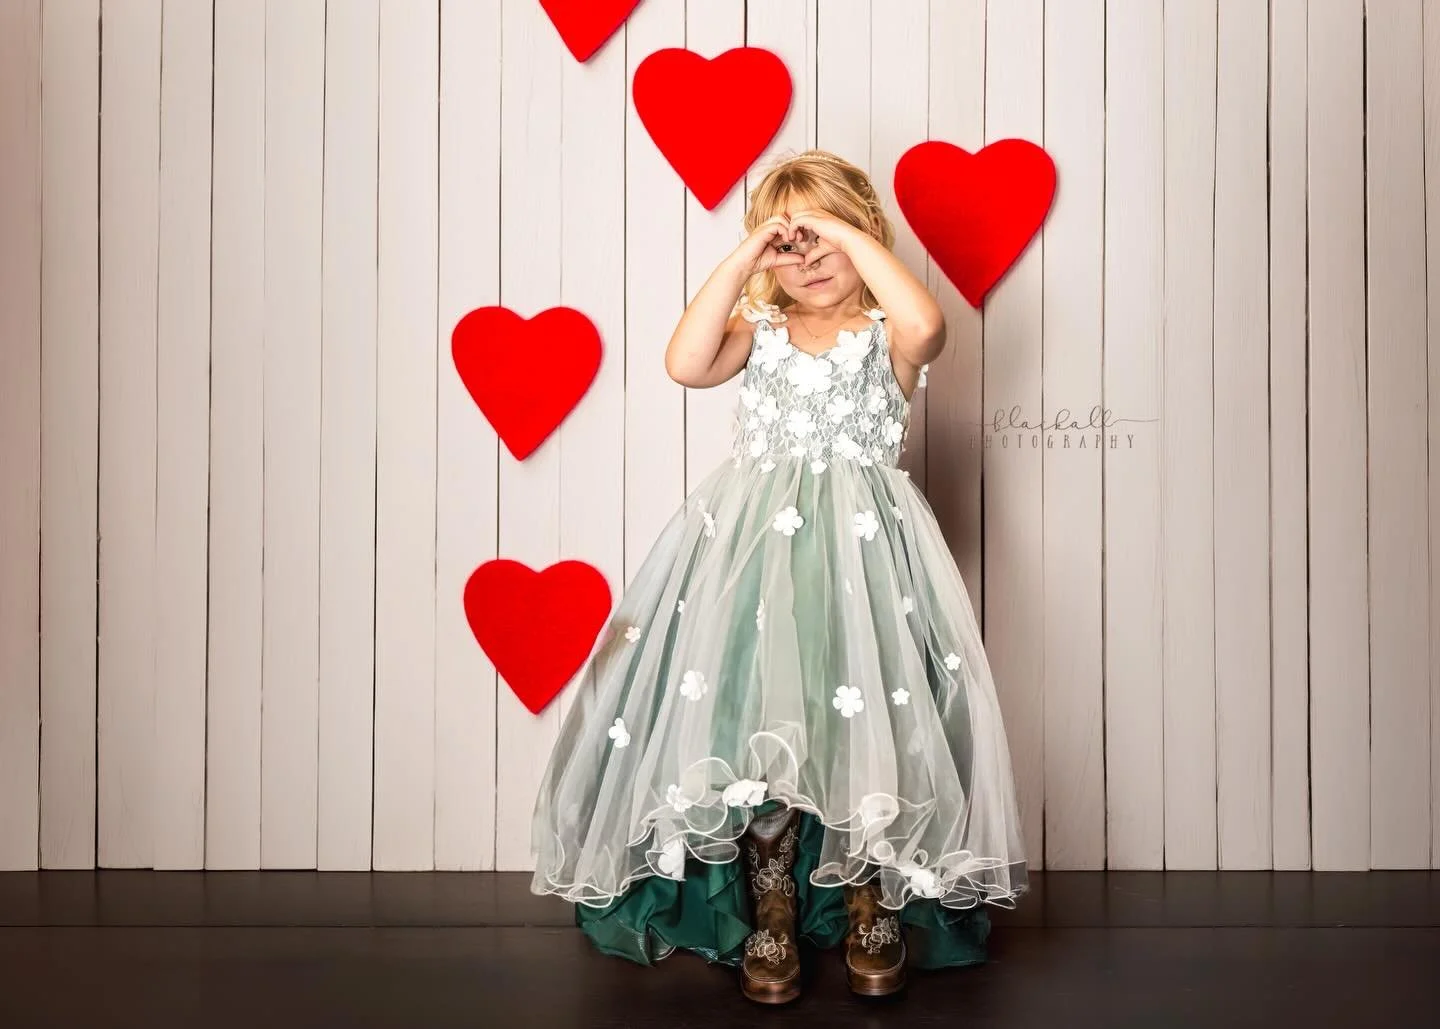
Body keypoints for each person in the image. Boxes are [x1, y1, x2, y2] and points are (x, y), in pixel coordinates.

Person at [529, 148, 1029, 1004]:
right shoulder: (756, 333)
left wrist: (837, 228)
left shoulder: (885, 338)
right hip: (756, 565)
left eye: (824, 242)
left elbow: (929, 323)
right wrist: (746, 254)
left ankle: (871, 890)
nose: (807, 262)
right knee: (758, 717)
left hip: (864, 564)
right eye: (787, 248)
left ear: (863, 235)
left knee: (862, 720)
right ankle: (772, 896)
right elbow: (684, 362)